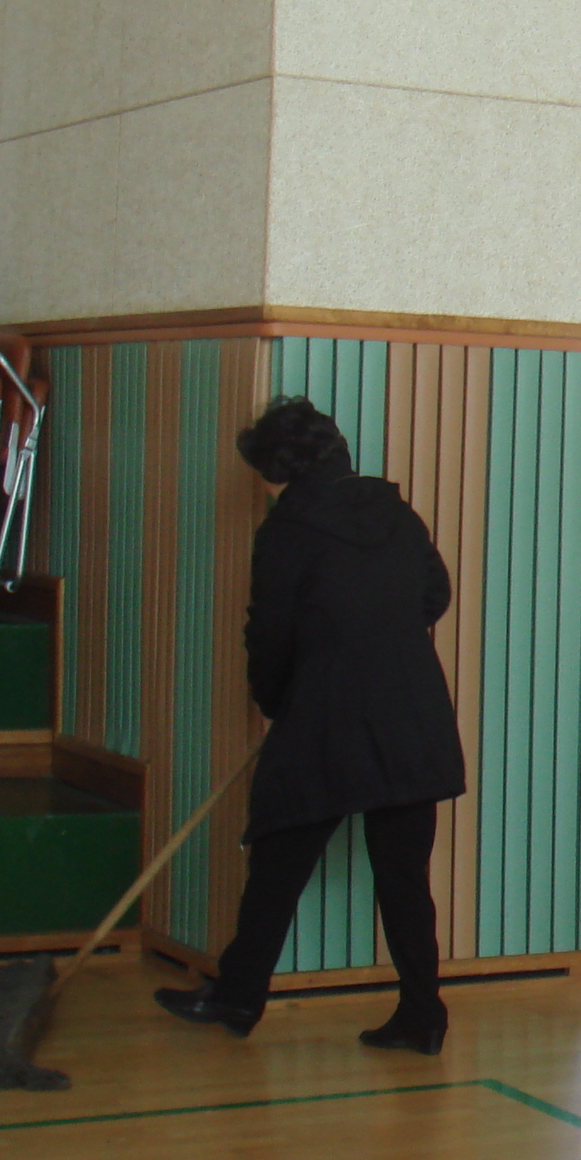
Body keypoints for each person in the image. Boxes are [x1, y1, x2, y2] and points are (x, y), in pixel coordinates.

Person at [154, 397, 467, 1054]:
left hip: (329, 717)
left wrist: (279, 701)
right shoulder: (393, 511)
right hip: (412, 714)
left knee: (278, 859)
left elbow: (268, 635)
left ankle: (238, 996)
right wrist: (378, 638)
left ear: (279, 471)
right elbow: (434, 594)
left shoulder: (287, 529)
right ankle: (423, 1014)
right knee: (404, 877)